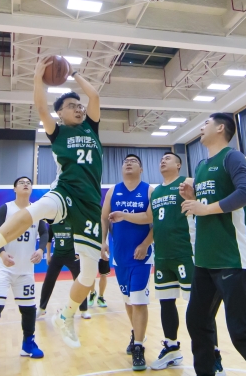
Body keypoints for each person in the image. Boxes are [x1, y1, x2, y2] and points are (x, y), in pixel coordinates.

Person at [0, 56, 103, 349]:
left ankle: (66, 316)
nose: (79, 108)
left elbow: (94, 96)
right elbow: (41, 107)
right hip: (66, 191)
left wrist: (74, 73)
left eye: (79, 105)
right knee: (34, 210)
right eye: (72, 106)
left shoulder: (91, 128)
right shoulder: (58, 132)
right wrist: (38, 76)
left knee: (89, 273)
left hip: (90, 204)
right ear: (60, 113)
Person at [180, 113, 246, 376]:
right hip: (204, 260)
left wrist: (205, 207)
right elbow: (206, 203)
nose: (201, 127)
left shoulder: (232, 157)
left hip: (231, 258)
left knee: (241, 331)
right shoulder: (201, 166)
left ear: (220, 128)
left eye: (206, 123)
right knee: (197, 322)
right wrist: (193, 197)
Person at [0, 176, 47, 371]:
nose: (26, 184)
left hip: (25, 270)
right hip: (4, 268)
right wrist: (2, 254)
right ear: (14, 188)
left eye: (29, 182)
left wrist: (41, 249)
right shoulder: (6, 209)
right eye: (21, 182)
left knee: (28, 309)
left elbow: (45, 232)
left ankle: (28, 343)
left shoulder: (36, 210)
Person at [104, 153, 154, 371]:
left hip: (142, 255)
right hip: (120, 256)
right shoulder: (113, 191)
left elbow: (153, 220)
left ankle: (139, 347)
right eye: (126, 162)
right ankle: (136, 333)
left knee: (139, 301)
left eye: (134, 162)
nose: (129, 163)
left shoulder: (149, 190)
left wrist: (145, 244)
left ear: (141, 169)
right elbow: (103, 218)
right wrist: (103, 241)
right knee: (128, 300)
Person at [36, 220, 90, 320]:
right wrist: (48, 255)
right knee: (48, 281)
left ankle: (84, 310)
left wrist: (79, 252)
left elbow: (80, 237)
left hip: (72, 256)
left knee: (80, 281)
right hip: (57, 255)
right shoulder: (53, 223)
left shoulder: (72, 221)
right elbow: (49, 239)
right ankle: (41, 308)